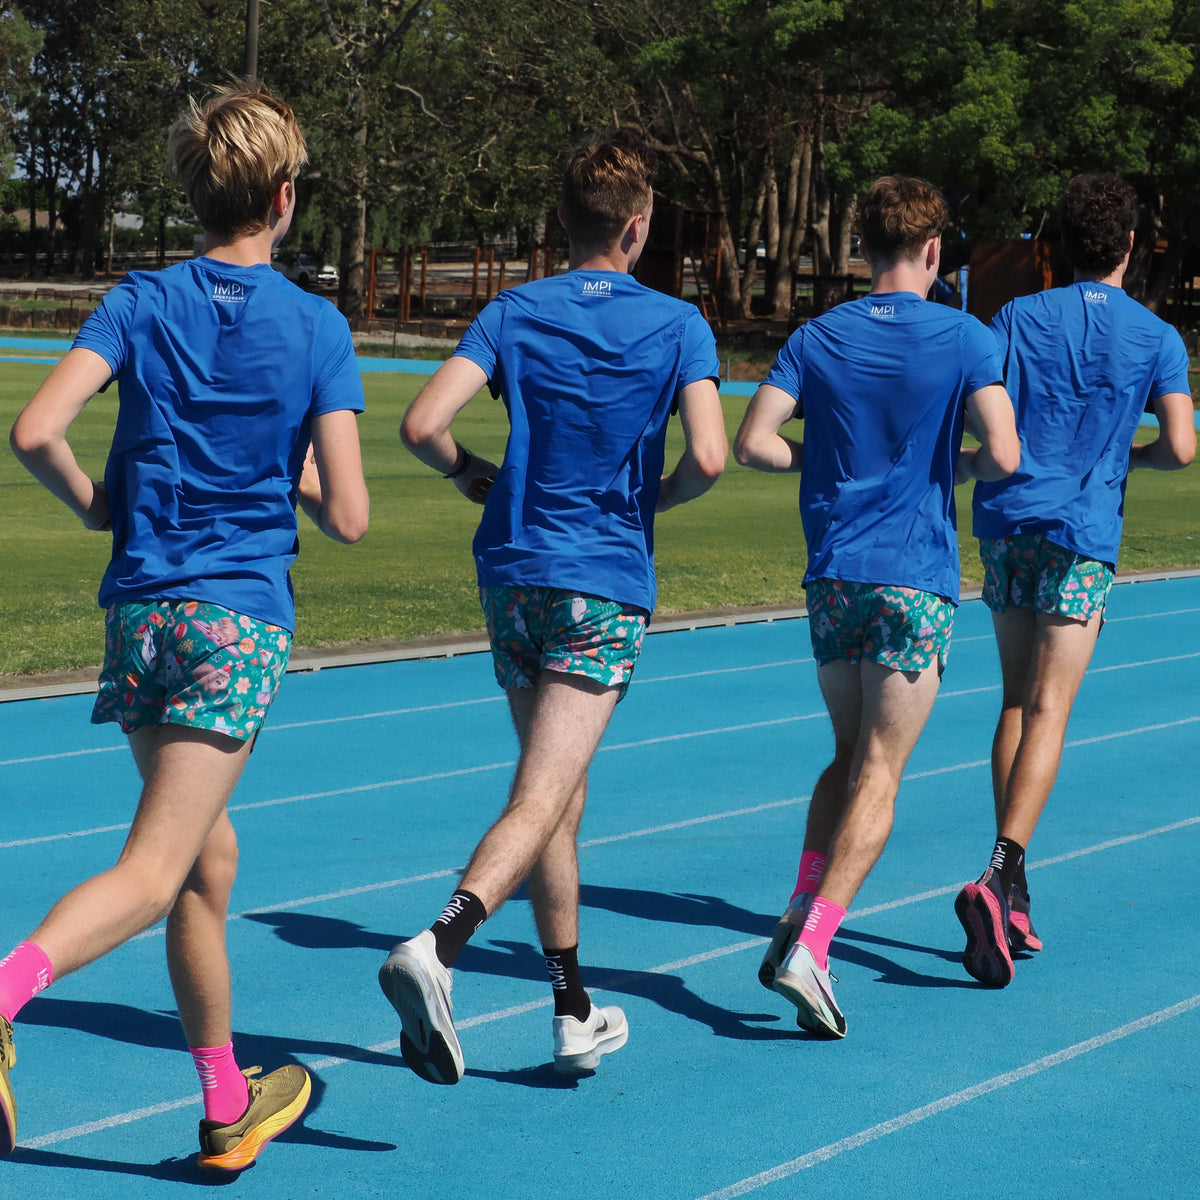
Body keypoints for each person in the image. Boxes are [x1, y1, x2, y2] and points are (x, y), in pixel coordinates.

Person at [2, 83, 369, 1168]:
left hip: (143, 611)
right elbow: (349, 516)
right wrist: (291, 469)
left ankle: (225, 1100)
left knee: (208, 861)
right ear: (286, 197)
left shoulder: (139, 300)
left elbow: (36, 429)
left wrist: (97, 503)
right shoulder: (315, 325)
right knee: (160, 868)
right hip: (234, 620)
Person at [383, 131, 727, 1084]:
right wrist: (644, 503)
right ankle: (441, 945)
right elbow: (705, 457)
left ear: (564, 223)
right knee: (543, 796)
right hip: (602, 578)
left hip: (514, 571)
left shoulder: (512, 310)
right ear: (638, 223)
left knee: (557, 795)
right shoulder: (678, 323)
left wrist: (471, 478)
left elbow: (423, 424)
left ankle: (571, 1006)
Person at [734, 175, 1020, 1038]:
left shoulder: (816, 335)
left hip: (834, 574)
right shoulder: (965, 336)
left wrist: (822, 462)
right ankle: (814, 947)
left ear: (862, 246)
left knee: (846, 754)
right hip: (913, 575)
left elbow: (754, 443)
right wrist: (952, 469)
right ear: (935, 253)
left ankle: (797, 907)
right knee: (882, 773)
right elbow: (1004, 453)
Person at [955, 173, 1195, 986]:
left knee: (1015, 703)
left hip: (1011, 526)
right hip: (1084, 533)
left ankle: (1009, 887)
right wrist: (1129, 457)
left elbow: (980, 414)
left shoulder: (1016, 316)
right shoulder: (1157, 335)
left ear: (1053, 245)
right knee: (1052, 707)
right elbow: (1182, 447)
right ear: (1129, 243)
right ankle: (1002, 869)